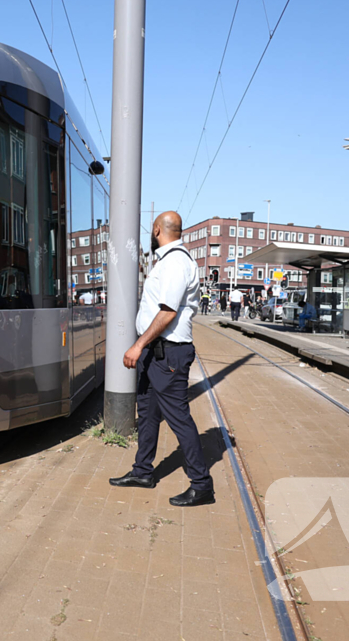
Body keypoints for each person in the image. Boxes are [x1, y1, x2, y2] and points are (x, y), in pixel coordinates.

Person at [109, 211, 214, 508]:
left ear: (156, 230)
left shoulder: (176, 263)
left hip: (167, 352)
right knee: (148, 414)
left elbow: (167, 313)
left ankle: (202, 484)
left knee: (179, 418)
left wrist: (136, 346)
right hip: (156, 353)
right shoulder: (168, 261)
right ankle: (143, 472)